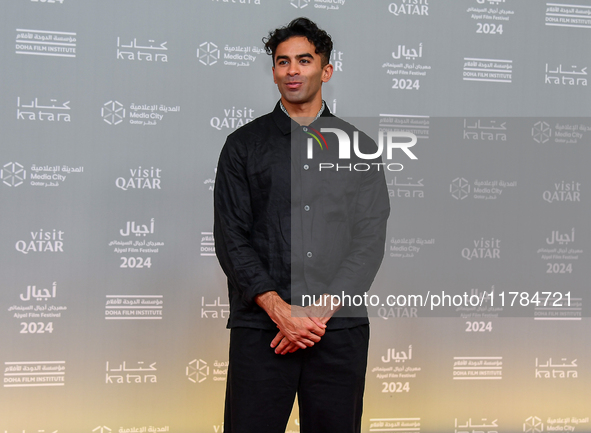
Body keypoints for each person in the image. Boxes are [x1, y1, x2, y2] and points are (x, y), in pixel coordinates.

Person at [214, 17, 390, 433]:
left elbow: (369, 240)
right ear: (274, 71)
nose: (292, 70)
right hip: (261, 328)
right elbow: (231, 237)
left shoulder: (360, 149)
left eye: (304, 60)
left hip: (337, 329)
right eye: (282, 62)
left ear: (325, 70)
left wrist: (316, 313)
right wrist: (280, 310)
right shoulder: (243, 145)